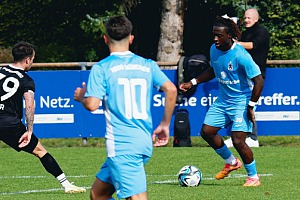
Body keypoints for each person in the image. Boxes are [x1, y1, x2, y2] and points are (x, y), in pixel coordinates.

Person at [74, 15, 177, 200]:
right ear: (131, 38)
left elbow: (92, 105)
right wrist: (165, 124)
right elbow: (171, 89)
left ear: (106, 39)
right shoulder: (148, 65)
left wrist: (82, 98)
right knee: (98, 194)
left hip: (123, 146)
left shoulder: (102, 68)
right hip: (143, 142)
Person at [179, 16, 264, 186]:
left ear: (230, 35)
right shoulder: (214, 49)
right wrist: (193, 82)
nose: (215, 39)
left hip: (241, 100)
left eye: (219, 35)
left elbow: (259, 80)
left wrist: (251, 106)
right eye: (214, 35)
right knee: (206, 132)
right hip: (223, 100)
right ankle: (232, 162)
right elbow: (214, 69)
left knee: (238, 140)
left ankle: (253, 177)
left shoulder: (241, 55)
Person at [0, 41, 86, 193]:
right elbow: (30, 104)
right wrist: (29, 130)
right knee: (40, 151)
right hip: (9, 123)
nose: (32, 62)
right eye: (33, 58)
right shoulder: (26, 80)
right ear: (27, 59)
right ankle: (66, 184)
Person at [224, 8, 270, 148]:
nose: (246, 20)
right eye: (245, 18)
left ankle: (252, 137)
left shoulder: (262, 32)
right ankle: (240, 136)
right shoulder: (244, 32)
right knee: (239, 105)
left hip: (255, 76)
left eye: (249, 18)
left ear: (256, 19)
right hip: (242, 74)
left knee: (249, 107)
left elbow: (252, 46)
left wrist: (232, 42)